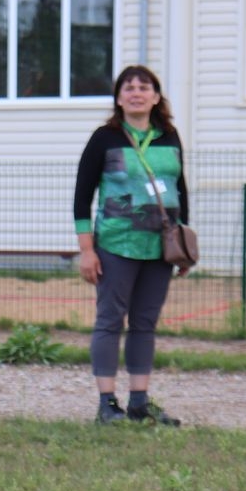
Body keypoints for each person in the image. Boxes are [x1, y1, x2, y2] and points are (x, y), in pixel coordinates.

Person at [73, 65, 188, 426]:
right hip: (116, 245)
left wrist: (182, 241)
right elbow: (81, 197)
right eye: (128, 88)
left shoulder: (169, 136)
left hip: (159, 248)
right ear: (118, 98)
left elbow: (180, 188)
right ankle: (107, 404)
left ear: (156, 96)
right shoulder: (104, 138)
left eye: (144, 87)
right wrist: (88, 249)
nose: (136, 93)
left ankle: (139, 402)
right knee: (109, 321)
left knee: (145, 324)